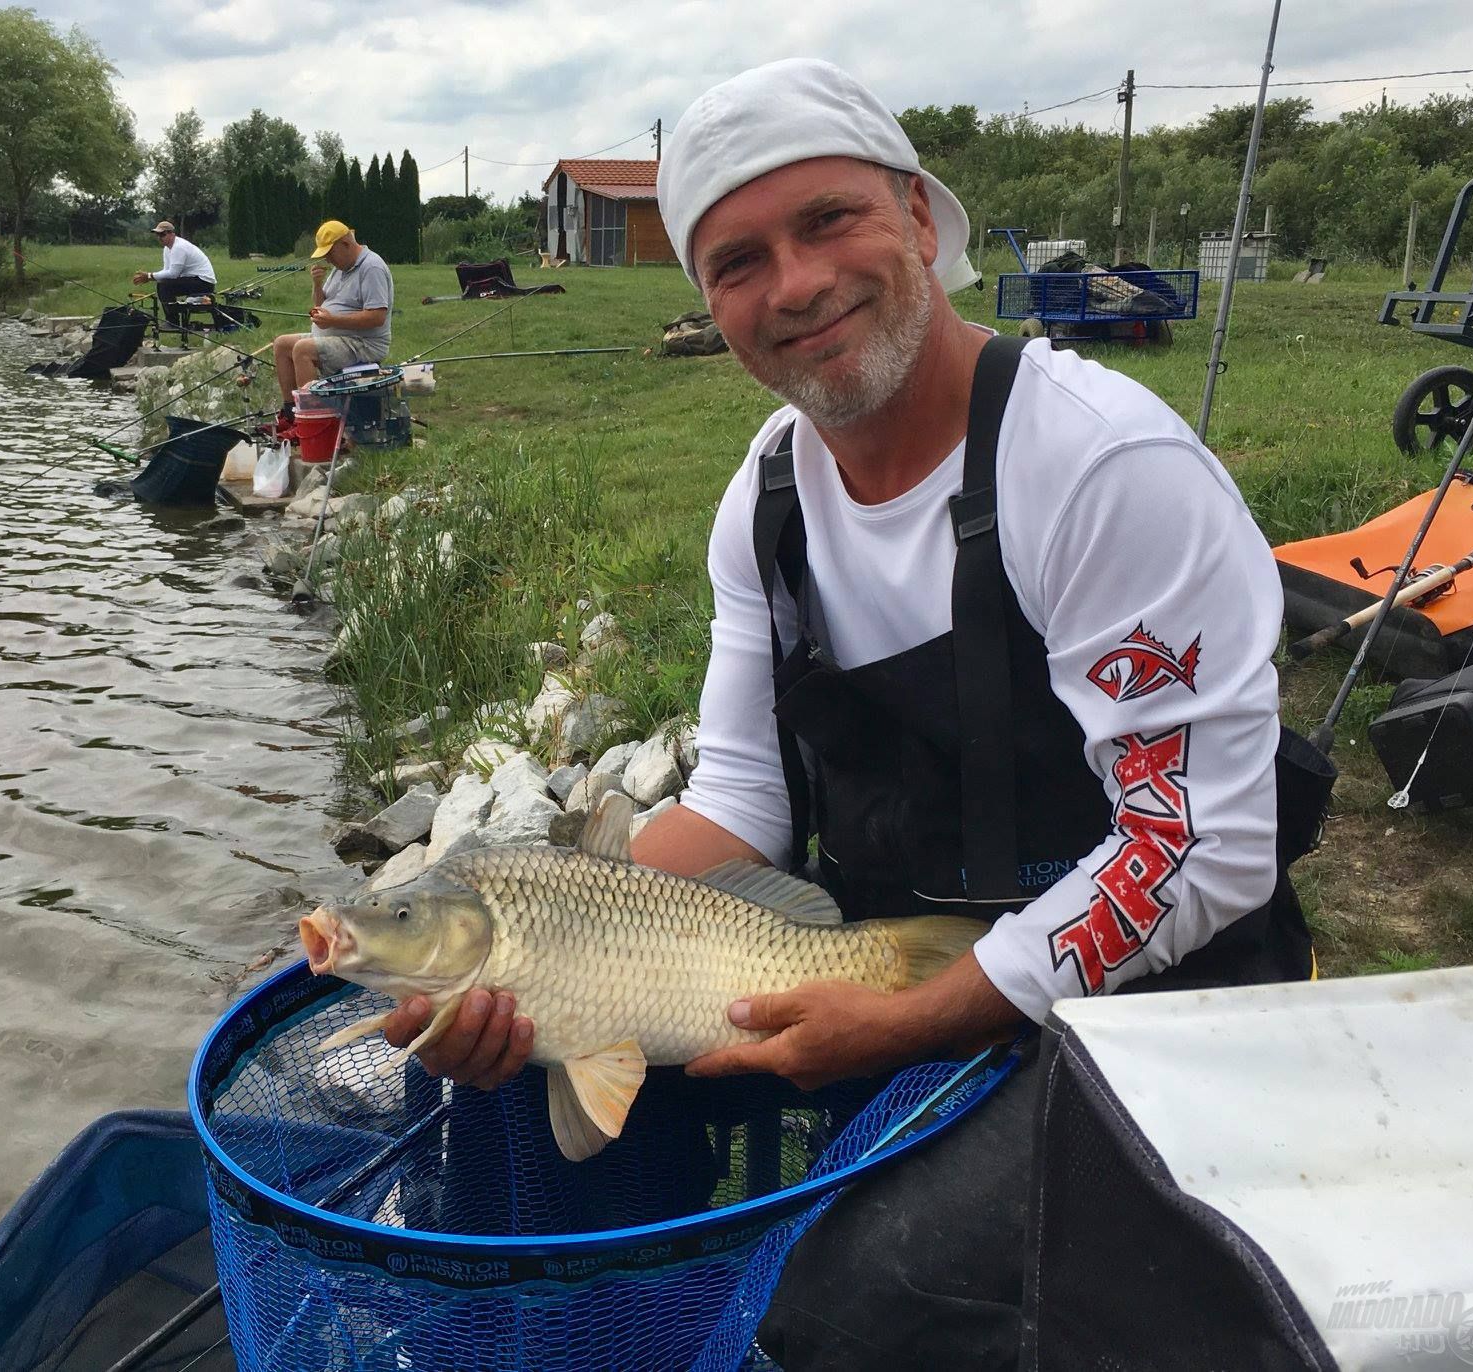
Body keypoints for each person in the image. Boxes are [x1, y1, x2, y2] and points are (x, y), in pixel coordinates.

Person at [377, 57, 1321, 1370]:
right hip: (870, 969)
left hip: (1149, 1004)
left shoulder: (1103, 468)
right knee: (479, 1092)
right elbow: (742, 806)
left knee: (851, 1303)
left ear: (920, 222)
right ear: (711, 306)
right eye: (738, 261)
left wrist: (922, 1017)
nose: (797, 285)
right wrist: (536, 937)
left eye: (828, 221)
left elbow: (1194, 851)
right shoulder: (764, 502)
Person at [271, 220, 393, 432]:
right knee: (282, 344)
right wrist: (317, 284)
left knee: (303, 349)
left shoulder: (371, 267)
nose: (328, 259)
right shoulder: (340, 267)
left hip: (364, 343)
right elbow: (320, 304)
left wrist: (333, 321)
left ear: (345, 243)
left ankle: (313, 423)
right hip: (335, 336)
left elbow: (377, 317)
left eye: (330, 253)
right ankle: (290, 414)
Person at [131, 221, 216, 332]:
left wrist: (149, 276)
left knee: (164, 286)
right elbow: (167, 272)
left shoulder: (179, 247)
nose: (159, 238)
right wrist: (151, 276)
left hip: (204, 282)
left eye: (162, 234)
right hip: (195, 280)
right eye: (158, 235)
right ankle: (172, 321)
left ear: (171, 234)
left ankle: (173, 323)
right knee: (163, 284)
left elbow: (173, 274)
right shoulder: (168, 249)